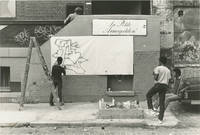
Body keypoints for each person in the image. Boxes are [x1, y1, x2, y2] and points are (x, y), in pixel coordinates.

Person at [146, 56, 171, 124]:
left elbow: (156, 78)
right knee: (162, 102)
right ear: (165, 62)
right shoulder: (168, 70)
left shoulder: (158, 68)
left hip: (158, 85)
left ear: (160, 61)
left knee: (148, 95)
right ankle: (160, 119)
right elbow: (169, 80)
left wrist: (154, 74)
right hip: (165, 86)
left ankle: (150, 109)